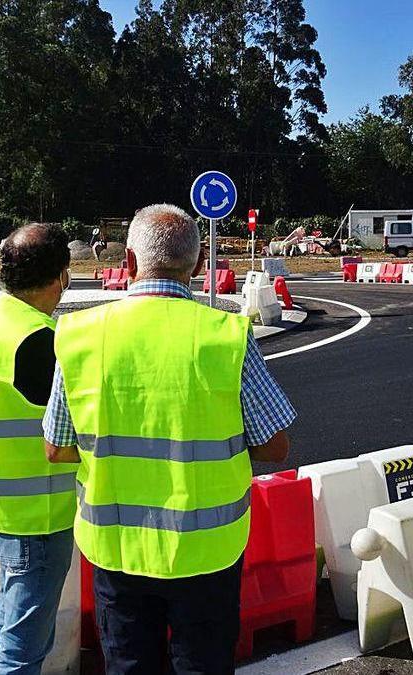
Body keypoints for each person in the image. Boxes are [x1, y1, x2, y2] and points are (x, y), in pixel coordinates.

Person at [44, 203, 295, 675]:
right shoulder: (227, 335)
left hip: (116, 550)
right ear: (200, 268)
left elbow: (56, 447)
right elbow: (275, 444)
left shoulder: (78, 336)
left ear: (130, 264)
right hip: (208, 551)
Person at [0, 222, 79, 675]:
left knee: (8, 623)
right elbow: (74, 422)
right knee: (24, 643)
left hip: (6, 503)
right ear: (61, 275)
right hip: (39, 513)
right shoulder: (38, 339)